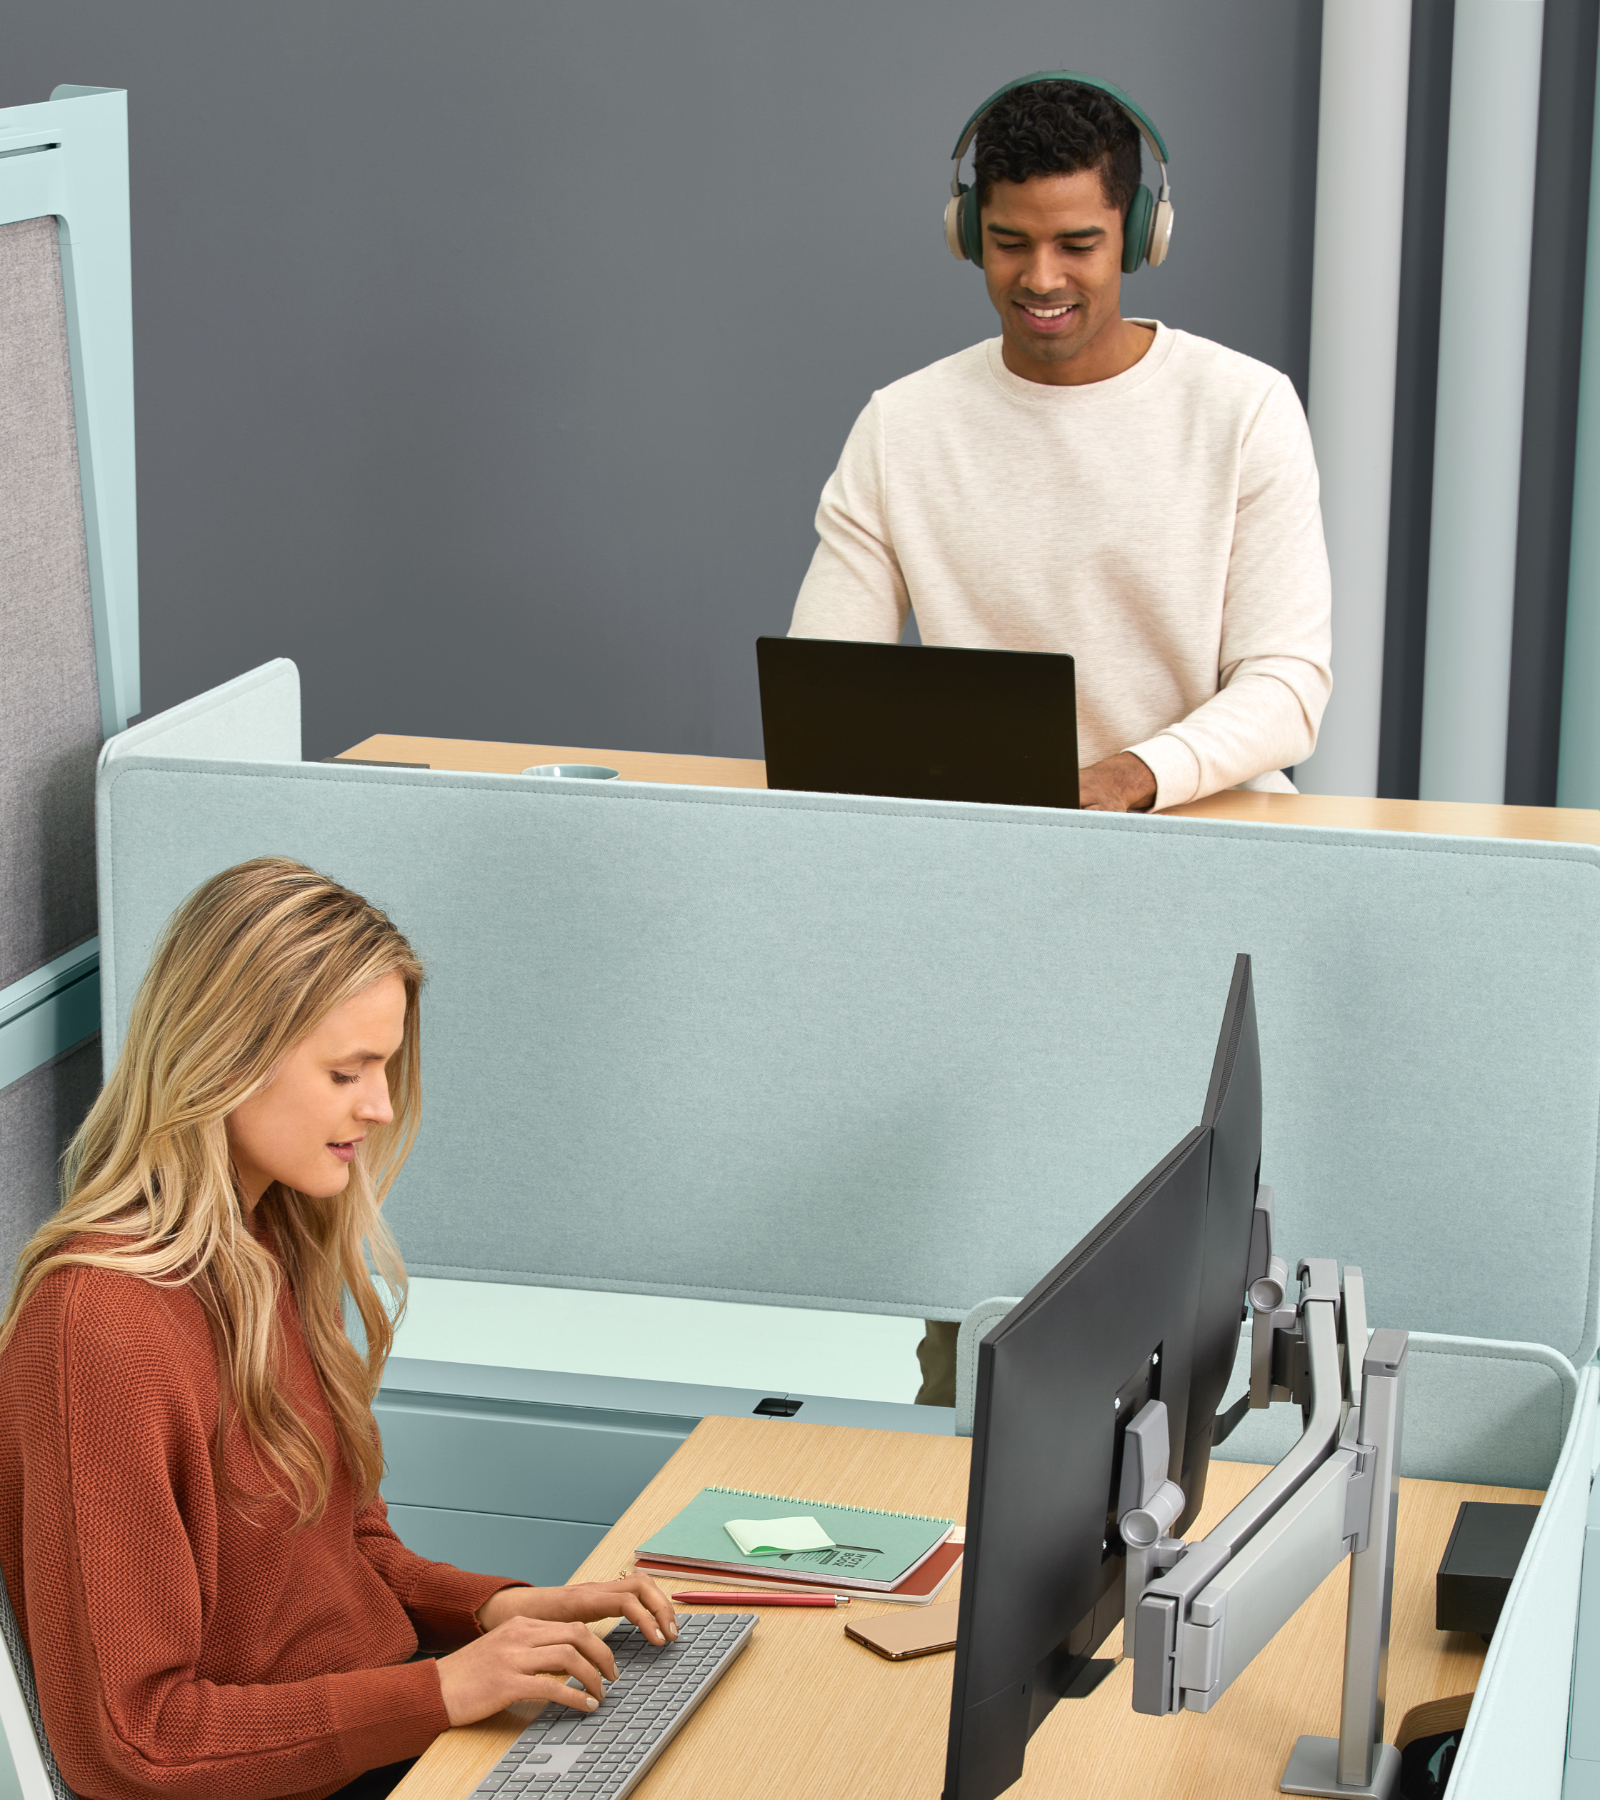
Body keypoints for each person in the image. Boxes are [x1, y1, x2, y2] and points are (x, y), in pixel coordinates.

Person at [788, 74, 1332, 1404]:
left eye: (1078, 243)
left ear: (1139, 234)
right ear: (965, 233)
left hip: (1204, 886)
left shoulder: (1241, 408)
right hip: (994, 898)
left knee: (1189, 1292)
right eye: (1010, 241)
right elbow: (825, 683)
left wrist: (1134, 774)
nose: (1041, 278)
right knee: (977, 1289)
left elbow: (1287, 686)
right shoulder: (904, 425)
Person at [0, 857, 676, 1800]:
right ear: (224, 1060)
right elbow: (133, 1741)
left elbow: (349, 1555)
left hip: (379, 1743)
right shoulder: (97, 1330)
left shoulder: (269, 1237)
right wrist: (439, 1692)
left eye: (385, 1067)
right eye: (345, 1072)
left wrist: (496, 1609)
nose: (381, 1106)